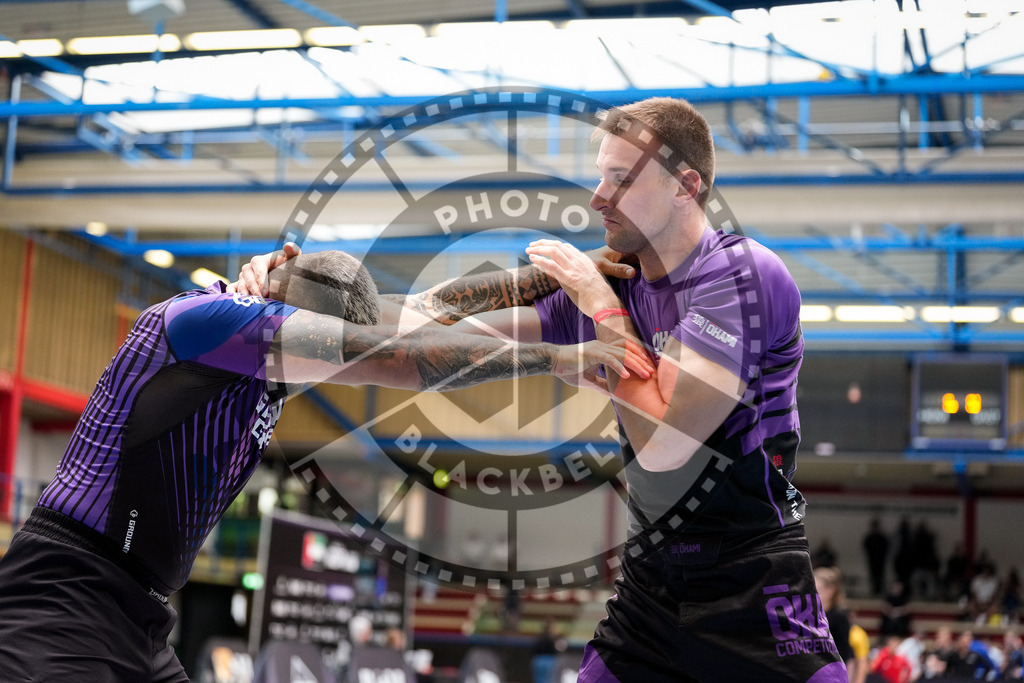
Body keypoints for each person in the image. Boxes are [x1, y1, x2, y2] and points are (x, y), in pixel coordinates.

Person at [237, 97, 847, 681]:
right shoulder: (615, 279)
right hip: (653, 579)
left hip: (752, 577)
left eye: (621, 178)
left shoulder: (739, 276)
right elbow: (421, 338)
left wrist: (600, 305)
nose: (599, 197)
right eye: (600, 176)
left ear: (687, 186)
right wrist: (288, 291)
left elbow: (666, 445)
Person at [0, 250, 641, 683]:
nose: (330, 367)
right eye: (329, 353)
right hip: (63, 592)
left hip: (139, 610)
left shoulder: (281, 329)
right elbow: (399, 360)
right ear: (295, 319)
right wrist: (568, 362)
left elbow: (430, 310)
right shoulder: (206, 321)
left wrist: (566, 275)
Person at [863, 518, 891, 597]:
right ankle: (875, 590)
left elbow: (886, 546)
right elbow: (865, 546)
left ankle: (880, 590)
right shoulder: (870, 537)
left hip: (880, 560)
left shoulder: (881, 537)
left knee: (880, 575)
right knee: (873, 575)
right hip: (872, 559)